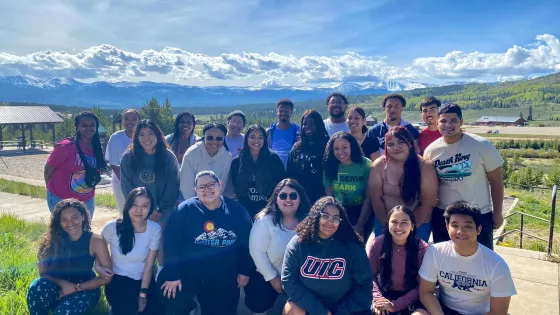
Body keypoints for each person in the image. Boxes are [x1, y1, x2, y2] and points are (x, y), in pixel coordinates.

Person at [157, 171, 253, 315]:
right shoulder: (184, 210)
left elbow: (247, 243)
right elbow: (171, 243)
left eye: (210, 185)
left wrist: (245, 270)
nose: (207, 190)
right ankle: (190, 308)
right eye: (201, 187)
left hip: (223, 271)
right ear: (196, 190)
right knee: (170, 292)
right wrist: (173, 274)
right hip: (190, 269)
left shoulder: (237, 211)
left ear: (219, 185)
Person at [424, 104, 504, 250]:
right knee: (445, 258)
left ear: (461, 122)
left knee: (480, 259)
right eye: (443, 121)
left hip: (478, 214)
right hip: (445, 214)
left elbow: (496, 181)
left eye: (453, 120)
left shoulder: (482, 145)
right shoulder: (431, 150)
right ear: (437, 123)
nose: (448, 125)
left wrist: (498, 212)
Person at [419, 201, 516, 315]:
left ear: (478, 230)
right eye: (455, 225)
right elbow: (426, 292)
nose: (461, 231)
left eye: (468, 226)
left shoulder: (496, 264)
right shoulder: (435, 252)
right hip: (444, 309)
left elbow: (498, 312)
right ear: (447, 227)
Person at [281, 196, 373, 315]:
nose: (330, 221)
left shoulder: (352, 246)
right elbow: (289, 281)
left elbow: (365, 287)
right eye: (325, 216)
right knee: (292, 309)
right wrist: (321, 311)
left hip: (344, 309)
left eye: (335, 218)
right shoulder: (298, 243)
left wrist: (341, 312)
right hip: (311, 307)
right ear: (316, 217)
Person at [27, 199, 112, 315]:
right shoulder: (50, 240)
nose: (70, 223)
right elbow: (43, 273)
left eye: (74, 217)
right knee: (36, 287)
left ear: (83, 216)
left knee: (64, 312)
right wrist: (63, 284)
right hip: (58, 283)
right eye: (64, 220)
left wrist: (77, 287)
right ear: (59, 222)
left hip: (86, 287)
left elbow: (107, 277)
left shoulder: (96, 241)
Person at [245, 179, 311, 314]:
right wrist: (273, 279)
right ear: (276, 198)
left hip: (298, 280)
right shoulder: (264, 220)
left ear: (300, 198)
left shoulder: (309, 221)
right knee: (259, 303)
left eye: (293, 195)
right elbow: (257, 252)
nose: (288, 200)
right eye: (283, 196)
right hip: (267, 276)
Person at [369, 126, 438, 241]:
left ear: (410, 144)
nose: (396, 147)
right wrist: (388, 226)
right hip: (385, 221)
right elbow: (376, 199)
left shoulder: (425, 166)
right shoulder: (379, 165)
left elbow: (428, 202)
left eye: (401, 142)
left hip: (419, 222)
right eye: (391, 144)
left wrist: (409, 228)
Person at [102, 187, 163, 314]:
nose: (139, 210)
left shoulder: (155, 229)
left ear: (150, 208)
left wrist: (143, 294)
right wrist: (98, 266)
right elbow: (98, 250)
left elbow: (149, 265)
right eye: (134, 205)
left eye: (145, 205)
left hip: (144, 279)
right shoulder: (112, 227)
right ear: (127, 205)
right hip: (119, 280)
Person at [366, 206, 430, 315]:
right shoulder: (376, 244)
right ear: (388, 224)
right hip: (384, 295)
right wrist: (378, 299)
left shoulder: (422, 248)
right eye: (394, 222)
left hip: (411, 297)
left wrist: (395, 305)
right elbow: (369, 276)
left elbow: (423, 286)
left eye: (404, 222)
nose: (399, 227)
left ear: (412, 226)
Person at [44, 111, 106, 217]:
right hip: (61, 198)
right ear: (77, 127)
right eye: (84, 125)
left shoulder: (97, 149)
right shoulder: (66, 147)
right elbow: (48, 169)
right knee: (63, 231)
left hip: (86, 199)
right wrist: (50, 188)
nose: (88, 128)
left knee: (84, 231)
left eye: (92, 125)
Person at [120, 119, 180, 225]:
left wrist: (158, 209)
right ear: (136, 137)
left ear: (158, 135)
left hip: (163, 212)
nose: (146, 138)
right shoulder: (128, 157)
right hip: (138, 210)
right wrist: (142, 207)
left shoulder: (168, 157)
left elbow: (172, 186)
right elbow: (127, 187)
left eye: (150, 134)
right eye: (141, 135)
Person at [324, 132, 373, 239]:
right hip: (339, 213)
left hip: (362, 212)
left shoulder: (365, 165)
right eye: (336, 148)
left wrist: (360, 225)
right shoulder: (329, 164)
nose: (340, 152)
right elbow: (329, 198)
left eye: (345, 147)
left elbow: (368, 198)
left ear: (352, 146)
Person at [230, 125, 286, 218]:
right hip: (245, 211)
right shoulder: (237, 161)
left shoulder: (273, 159)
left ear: (265, 140)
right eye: (252, 137)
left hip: (269, 211)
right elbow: (236, 187)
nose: (256, 141)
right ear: (246, 138)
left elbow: (280, 184)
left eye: (260, 137)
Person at [287, 110, 330, 204]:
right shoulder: (296, 148)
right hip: (300, 199)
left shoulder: (328, 146)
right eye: (305, 124)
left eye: (312, 124)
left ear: (319, 125)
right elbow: (290, 174)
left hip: (322, 199)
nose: (307, 127)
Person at [180, 122, 233, 199]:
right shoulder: (192, 153)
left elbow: (221, 185)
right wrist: (195, 204)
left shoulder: (227, 156)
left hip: (214, 200)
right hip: (188, 199)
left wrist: (212, 202)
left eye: (219, 138)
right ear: (204, 137)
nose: (214, 141)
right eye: (210, 138)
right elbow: (186, 185)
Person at [105, 109, 141, 211]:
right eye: (127, 119)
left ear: (139, 121)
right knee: (125, 211)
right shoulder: (116, 137)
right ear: (122, 121)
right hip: (121, 183)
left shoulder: (143, 136)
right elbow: (114, 164)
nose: (130, 122)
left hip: (143, 181)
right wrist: (129, 183)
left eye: (134, 119)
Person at [267, 98, 301, 168]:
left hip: (291, 173)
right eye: (281, 111)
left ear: (291, 112)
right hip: (273, 173)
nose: (283, 113)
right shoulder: (270, 131)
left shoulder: (298, 132)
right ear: (277, 112)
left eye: (286, 111)